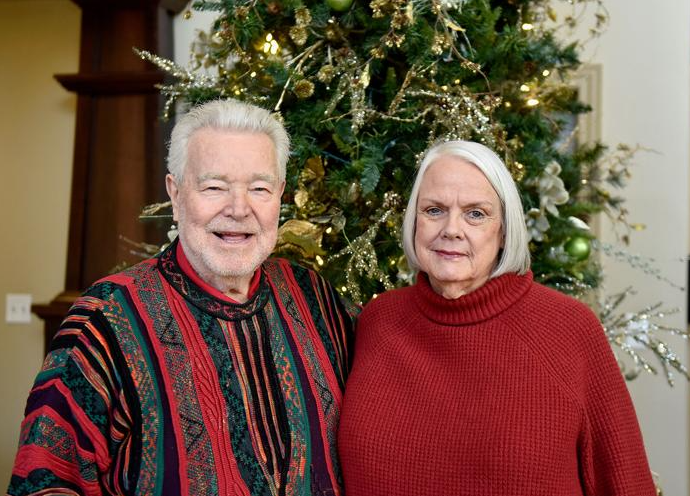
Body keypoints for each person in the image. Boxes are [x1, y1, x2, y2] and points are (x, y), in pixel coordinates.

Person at [8, 99, 357, 496]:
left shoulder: (318, 301)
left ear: (279, 195)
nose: (239, 209)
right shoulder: (104, 321)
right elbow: (44, 482)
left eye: (259, 188)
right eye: (214, 187)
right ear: (175, 194)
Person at [337, 140, 656, 496]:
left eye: (476, 213)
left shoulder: (568, 328)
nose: (452, 229)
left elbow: (626, 482)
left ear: (504, 230)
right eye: (434, 210)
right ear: (414, 222)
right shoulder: (378, 320)